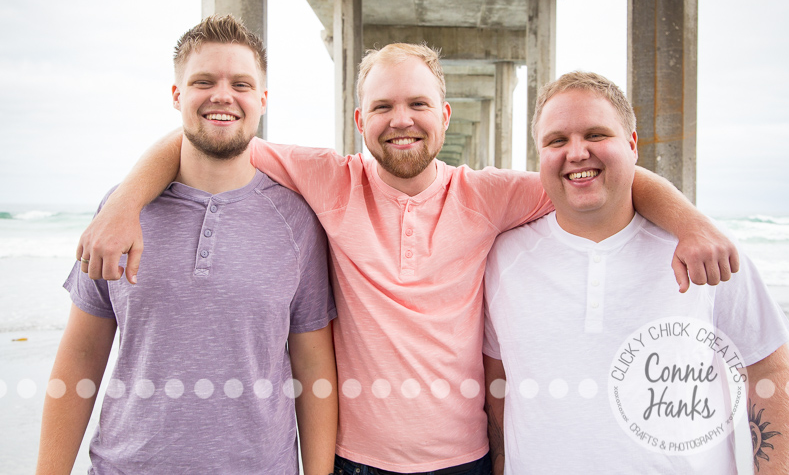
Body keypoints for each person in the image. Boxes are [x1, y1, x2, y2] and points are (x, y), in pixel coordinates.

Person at [75, 43, 740, 474]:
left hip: (466, 459)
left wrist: (690, 222)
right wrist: (124, 202)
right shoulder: (329, 179)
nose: (403, 119)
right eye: (384, 106)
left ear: (445, 116)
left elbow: (596, 171)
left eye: (419, 103)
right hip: (353, 460)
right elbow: (209, 139)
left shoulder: (487, 194)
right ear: (359, 121)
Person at [36, 16, 338, 475]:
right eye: (203, 81)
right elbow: (81, 355)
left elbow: (313, 368)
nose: (222, 95)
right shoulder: (120, 212)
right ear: (177, 95)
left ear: (262, 100)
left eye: (240, 83)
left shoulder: (297, 222)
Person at [483, 71, 789, 474]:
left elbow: (769, 371)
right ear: (539, 155)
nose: (577, 152)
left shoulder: (705, 250)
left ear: (632, 145)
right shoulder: (504, 259)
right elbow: (498, 384)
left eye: (596, 135)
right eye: (557, 140)